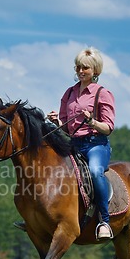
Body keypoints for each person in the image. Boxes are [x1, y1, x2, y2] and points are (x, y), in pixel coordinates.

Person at [47, 47, 115, 240]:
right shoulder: (69, 93)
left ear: (95, 70)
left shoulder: (102, 93)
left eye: (85, 67)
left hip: (96, 145)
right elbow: (66, 129)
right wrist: (57, 122)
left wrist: (92, 121)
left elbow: (108, 127)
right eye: (78, 67)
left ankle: (104, 221)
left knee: (94, 171)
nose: (80, 71)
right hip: (74, 143)